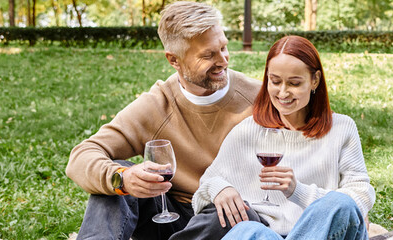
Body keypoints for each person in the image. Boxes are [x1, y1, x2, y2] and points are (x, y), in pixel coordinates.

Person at [65, 2, 261, 239]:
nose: (223, 60)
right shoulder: (156, 105)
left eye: (223, 47)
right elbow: (82, 155)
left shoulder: (259, 97)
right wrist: (122, 179)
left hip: (223, 217)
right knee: (114, 181)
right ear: (174, 60)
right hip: (169, 215)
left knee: (240, 214)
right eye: (208, 55)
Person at [188, 35, 376, 239]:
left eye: (294, 83)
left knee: (340, 203)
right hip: (269, 235)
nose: (283, 93)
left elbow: (361, 194)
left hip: (325, 234)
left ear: (315, 80)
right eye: (275, 81)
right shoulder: (248, 130)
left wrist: (298, 191)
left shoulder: (341, 128)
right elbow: (207, 182)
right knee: (247, 230)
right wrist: (219, 188)